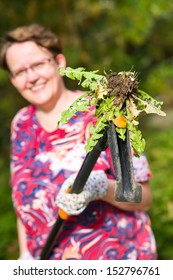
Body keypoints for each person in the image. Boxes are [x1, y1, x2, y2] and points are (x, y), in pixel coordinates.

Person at [0, 23, 157, 260]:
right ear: (13, 80)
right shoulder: (21, 124)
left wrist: (101, 187)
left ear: (59, 62)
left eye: (38, 64)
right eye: (20, 71)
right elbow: (23, 198)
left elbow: (142, 197)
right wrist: (25, 255)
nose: (31, 77)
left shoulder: (107, 113)